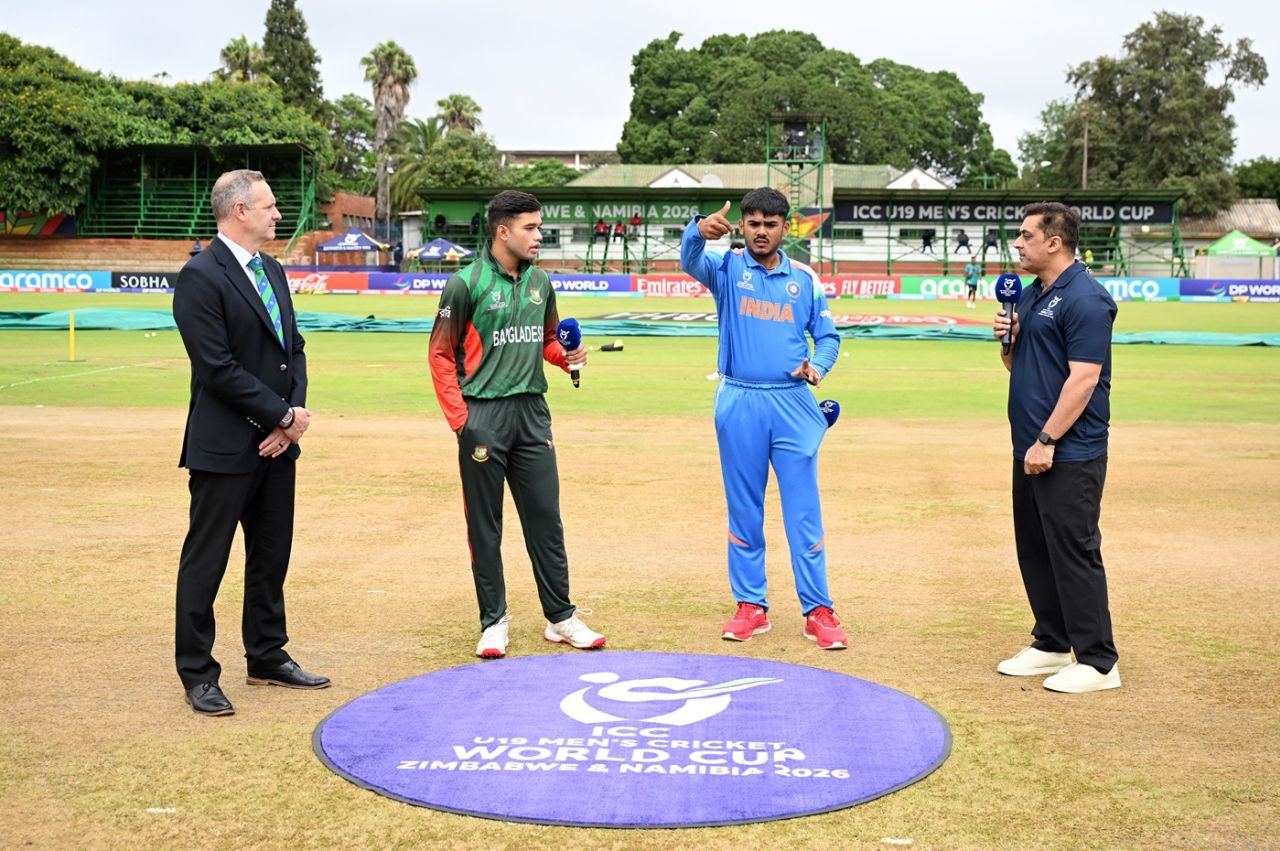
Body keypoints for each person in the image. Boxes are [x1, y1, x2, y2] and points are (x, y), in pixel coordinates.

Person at [171, 169, 329, 717]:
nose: (278, 215)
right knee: (206, 561)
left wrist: (290, 423)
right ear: (239, 211)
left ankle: (267, 655)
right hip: (224, 447)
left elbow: (295, 349)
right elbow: (217, 367)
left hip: (277, 445)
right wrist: (280, 413)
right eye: (269, 206)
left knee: (270, 557)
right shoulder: (200, 275)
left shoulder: (274, 270)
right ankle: (197, 672)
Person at [428, 189, 605, 659]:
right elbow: (441, 355)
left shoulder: (541, 283)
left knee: (546, 520)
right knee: (485, 526)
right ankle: (494, 622)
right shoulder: (464, 285)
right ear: (503, 230)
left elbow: (546, 341)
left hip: (532, 416)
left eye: (540, 228)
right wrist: (461, 421)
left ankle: (561, 618)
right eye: (531, 228)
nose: (539, 236)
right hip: (482, 416)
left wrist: (566, 359)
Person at [680, 189, 846, 650]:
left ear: (784, 228)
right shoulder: (728, 268)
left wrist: (819, 367)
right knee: (745, 509)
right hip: (739, 400)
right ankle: (751, 606)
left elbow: (828, 336)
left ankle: (818, 610)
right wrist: (697, 230)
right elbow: (689, 259)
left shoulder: (806, 278)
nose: (759, 231)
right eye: (752, 223)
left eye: (769, 224)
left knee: (803, 513)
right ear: (744, 227)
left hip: (793, 402)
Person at [992, 201, 1120, 694]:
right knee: (1036, 548)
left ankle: (1099, 660)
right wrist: (1008, 342)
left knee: (1073, 550)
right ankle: (1050, 642)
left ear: (1054, 242)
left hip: (1069, 450)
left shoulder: (1085, 298)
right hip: (1029, 447)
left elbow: (1085, 378)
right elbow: (1015, 368)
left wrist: (1048, 439)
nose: (1017, 244)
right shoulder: (1029, 294)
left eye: (1025, 236)